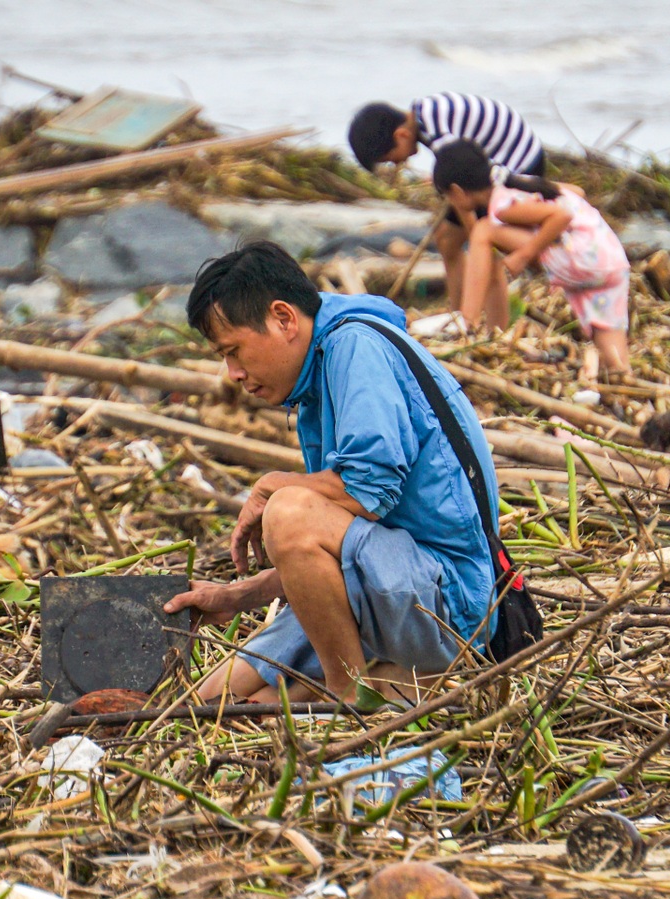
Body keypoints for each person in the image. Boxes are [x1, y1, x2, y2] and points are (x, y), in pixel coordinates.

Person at [162, 241, 504, 704]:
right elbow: (336, 548)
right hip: (395, 582)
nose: (234, 373)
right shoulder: (319, 370)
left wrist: (272, 486)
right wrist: (235, 597)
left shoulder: (353, 348)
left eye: (235, 351)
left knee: (288, 509)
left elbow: (366, 493)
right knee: (214, 701)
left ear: (284, 319)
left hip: (450, 605)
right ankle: (371, 683)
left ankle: (350, 699)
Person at [432, 139, 631, 379]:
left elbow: (562, 215)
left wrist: (522, 255)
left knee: (483, 231)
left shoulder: (503, 203)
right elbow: (577, 193)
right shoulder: (521, 184)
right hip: (611, 261)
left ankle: (468, 324)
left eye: (449, 198)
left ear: (457, 191)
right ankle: (624, 382)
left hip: (582, 259)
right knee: (611, 347)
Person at [349, 93, 545, 322]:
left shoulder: (438, 133)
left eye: (391, 158)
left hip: (515, 167)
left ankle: (494, 327)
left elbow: (460, 188)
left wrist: (479, 236)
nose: (397, 164)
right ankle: (457, 314)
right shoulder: (423, 114)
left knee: (484, 251)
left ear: (401, 135)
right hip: (484, 167)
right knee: (447, 238)